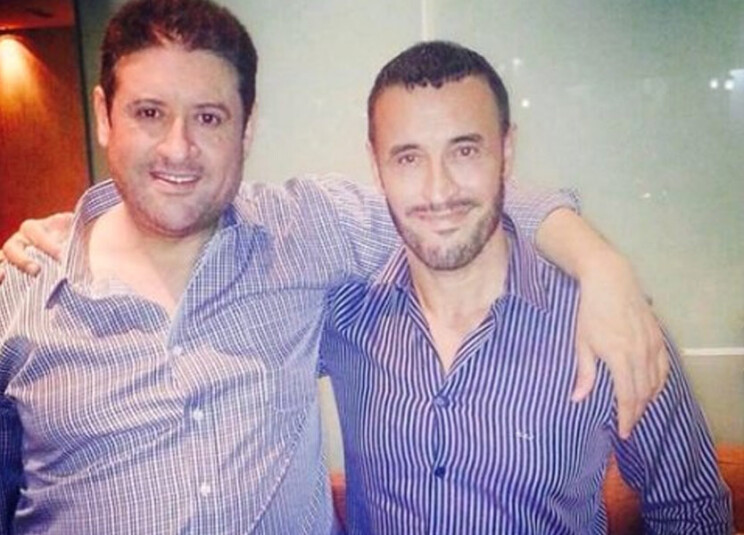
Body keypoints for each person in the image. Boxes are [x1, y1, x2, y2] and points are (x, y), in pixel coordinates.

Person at [0, 0, 668, 532]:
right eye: (149, 112)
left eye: (209, 116)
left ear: (247, 129)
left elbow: (456, 201)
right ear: (103, 116)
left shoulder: (305, 231)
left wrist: (599, 263)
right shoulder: (21, 296)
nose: (179, 148)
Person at [320, 40, 732, 533]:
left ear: (507, 151)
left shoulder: (608, 322)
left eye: (465, 151)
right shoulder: (342, 314)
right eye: (408, 158)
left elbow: (691, 510)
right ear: (376, 166)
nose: (438, 190)